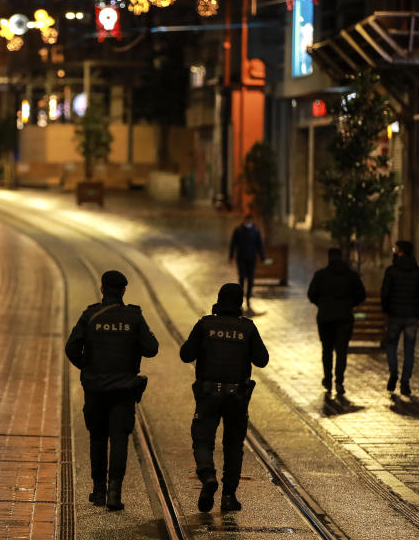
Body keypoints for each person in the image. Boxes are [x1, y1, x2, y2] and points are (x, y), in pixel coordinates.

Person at [65, 270, 159, 511]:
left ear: (102, 289)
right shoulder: (134, 317)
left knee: (98, 437)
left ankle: (98, 491)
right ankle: (114, 493)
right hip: (124, 389)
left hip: (95, 388)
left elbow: (72, 348)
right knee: (119, 438)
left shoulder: (90, 315)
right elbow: (151, 349)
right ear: (124, 290)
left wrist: (88, 367)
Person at [180, 283, 269, 513]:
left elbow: (185, 354)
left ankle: (208, 476)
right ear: (239, 303)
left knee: (202, 440)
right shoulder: (247, 328)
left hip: (208, 394)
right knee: (233, 445)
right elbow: (262, 360)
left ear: (218, 300)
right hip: (237, 397)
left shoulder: (205, 324)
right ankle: (229, 496)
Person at [306, 248, 366, 396]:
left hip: (325, 318)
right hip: (345, 317)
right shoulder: (351, 276)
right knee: (341, 351)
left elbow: (311, 294)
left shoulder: (321, 275)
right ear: (342, 258)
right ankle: (339, 381)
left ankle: (327, 379)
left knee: (326, 350)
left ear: (329, 258)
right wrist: (350, 304)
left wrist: (322, 304)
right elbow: (361, 294)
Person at [380, 240, 419, 397]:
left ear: (400, 251)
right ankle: (405, 382)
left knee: (391, 345)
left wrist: (386, 310)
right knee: (409, 350)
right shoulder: (418, 272)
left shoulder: (391, 271)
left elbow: (385, 293)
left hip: (394, 315)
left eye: (396, 248)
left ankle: (393, 371)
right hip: (411, 317)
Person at [228, 214, 265, 313]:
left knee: (250, 279)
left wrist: (262, 256)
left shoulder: (255, 231)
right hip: (241, 259)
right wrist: (231, 256)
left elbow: (259, 244)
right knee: (241, 279)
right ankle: (240, 300)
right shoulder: (238, 231)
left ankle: (248, 298)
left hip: (251, 259)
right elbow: (233, 244)